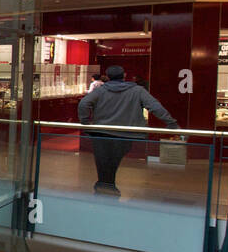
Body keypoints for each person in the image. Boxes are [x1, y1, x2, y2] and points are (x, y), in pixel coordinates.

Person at [76, 64, 179, 196]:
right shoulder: (137, 90)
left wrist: (85, 122)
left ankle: (105, 186)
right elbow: (155, 107)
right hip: (125, 133)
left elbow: (84, 103)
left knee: (102, 161)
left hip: (101, 131)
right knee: (113, 160)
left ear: (107, 77)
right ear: (124, 75)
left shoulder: (100, 91)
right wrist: (171, 123)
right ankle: (106, 186)